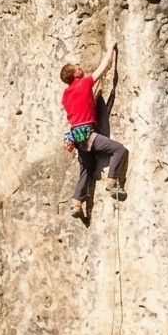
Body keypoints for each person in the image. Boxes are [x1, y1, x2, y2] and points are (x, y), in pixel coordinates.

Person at [59, 43, 128, 221]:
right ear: (74, 75)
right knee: (119, 149)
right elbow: (103, 68)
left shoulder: (66, 95)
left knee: (87, 168)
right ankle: (112, 182)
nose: (80, 68)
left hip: (76, 137)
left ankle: (76, 203)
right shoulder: (84, 83)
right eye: (77, 68)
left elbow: (78, 108)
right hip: (88, 134)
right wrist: (111, 49)